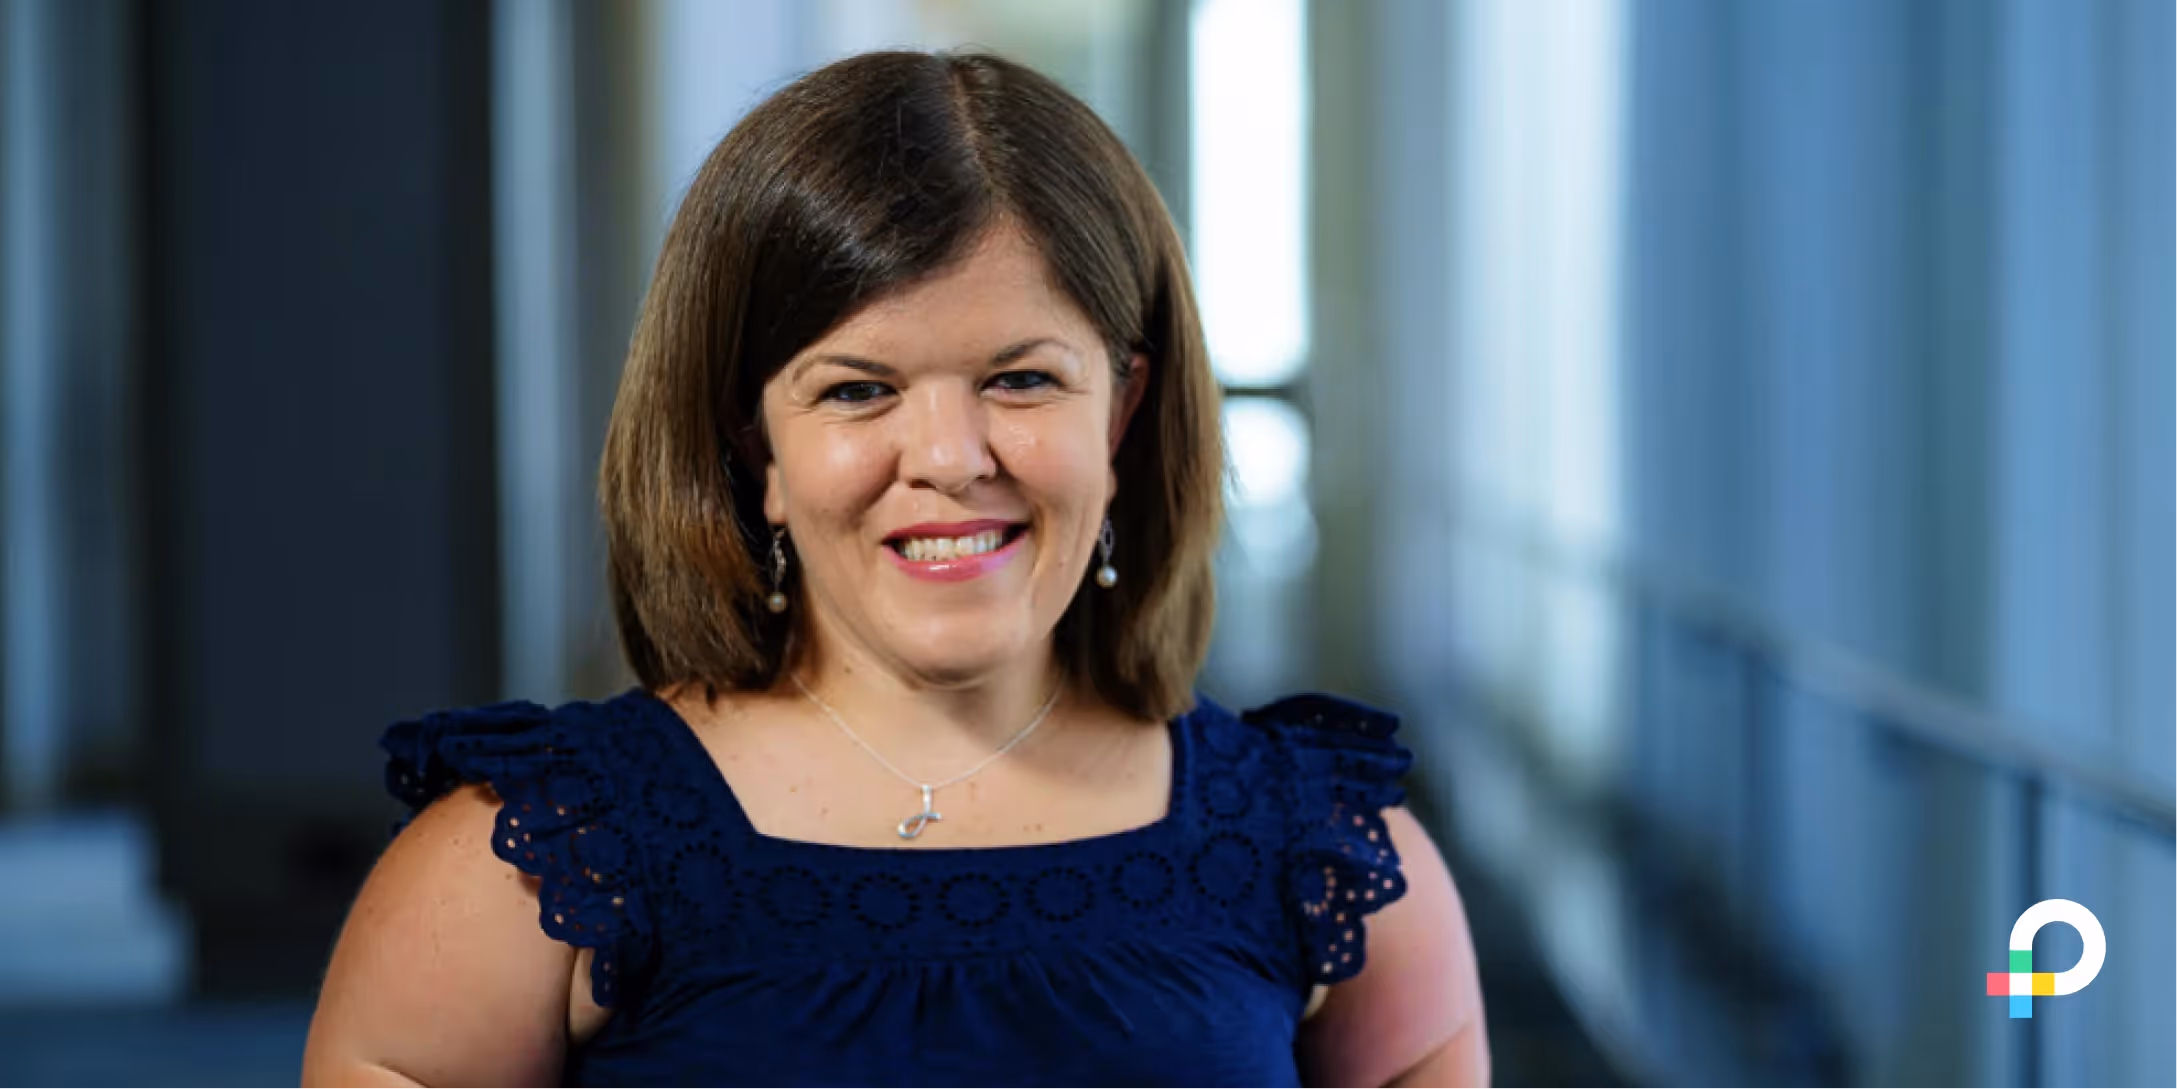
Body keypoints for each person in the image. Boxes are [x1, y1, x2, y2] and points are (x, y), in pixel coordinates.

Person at [301, 49, 1486, 1088]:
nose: (948, 459)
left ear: (1119, 416)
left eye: (1020, 379)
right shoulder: (528, 861)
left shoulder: (1333, 860)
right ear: (754, 449)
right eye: (858, 391)